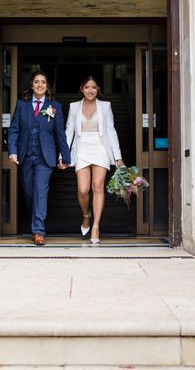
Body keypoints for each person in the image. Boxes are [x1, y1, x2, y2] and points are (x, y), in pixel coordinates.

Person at [7, 70, 71, 246]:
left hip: (45, 158)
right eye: (37, 82)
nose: (40, 85)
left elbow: (60, 134)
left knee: (40, 192)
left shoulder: (54, 106)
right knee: (29, 192)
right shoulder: (22, 105)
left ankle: (38, 231)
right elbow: (14, 130)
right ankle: (36, 222)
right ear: (32, 85)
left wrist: (65, 156)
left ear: (47, 86)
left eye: (43, 82)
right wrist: (12, 151)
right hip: (25, 156)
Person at [65, 76, 124, 244]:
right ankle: (86, 215)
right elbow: (69, 131)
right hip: (82, 148)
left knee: (97, 186)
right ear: (81, 89)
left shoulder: (105, 106)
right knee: (83, 190)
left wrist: (118, 157)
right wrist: (64, 155)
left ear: (98, 89)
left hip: (100, 148)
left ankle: (96, 227)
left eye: (94, 87)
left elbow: (111, 131)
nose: (90, 90)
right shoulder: (74, 106)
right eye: (87, 87)